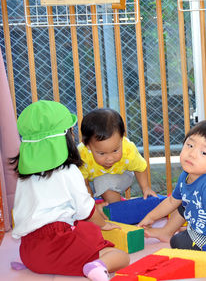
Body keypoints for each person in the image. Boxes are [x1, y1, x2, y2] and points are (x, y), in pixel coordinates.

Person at [11, 100, 130, 281]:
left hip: (28, 251)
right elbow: (86, 210)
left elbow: (21, 214)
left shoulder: (25, 176)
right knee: (120, 255)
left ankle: (39, 265)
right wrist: (104, 225)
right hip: (57, 243)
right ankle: (97, 267)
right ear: (66, 138)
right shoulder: (68, 171)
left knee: (81, 231)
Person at [138, 120, 206, 250]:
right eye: (190, 145)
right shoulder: (187, 174)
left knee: (179, 242)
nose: (192, 154)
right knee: (184, 202)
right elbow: (172, 201)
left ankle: (195, 236)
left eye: (204, 153)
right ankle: (166, 231)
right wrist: (150, 217)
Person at [78, 108, 157, 203]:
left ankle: (117, 210)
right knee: (76, 188)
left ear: (122, 137)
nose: (110, 158)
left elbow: (140, 168)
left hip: (122, 175)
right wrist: (91, 207)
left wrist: (146, 188)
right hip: (90, 182)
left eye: (115, 150)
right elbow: (84, 184)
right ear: (87, 146)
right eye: (102, 153)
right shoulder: (82, 154)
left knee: (103, 182)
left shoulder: (127, 149)